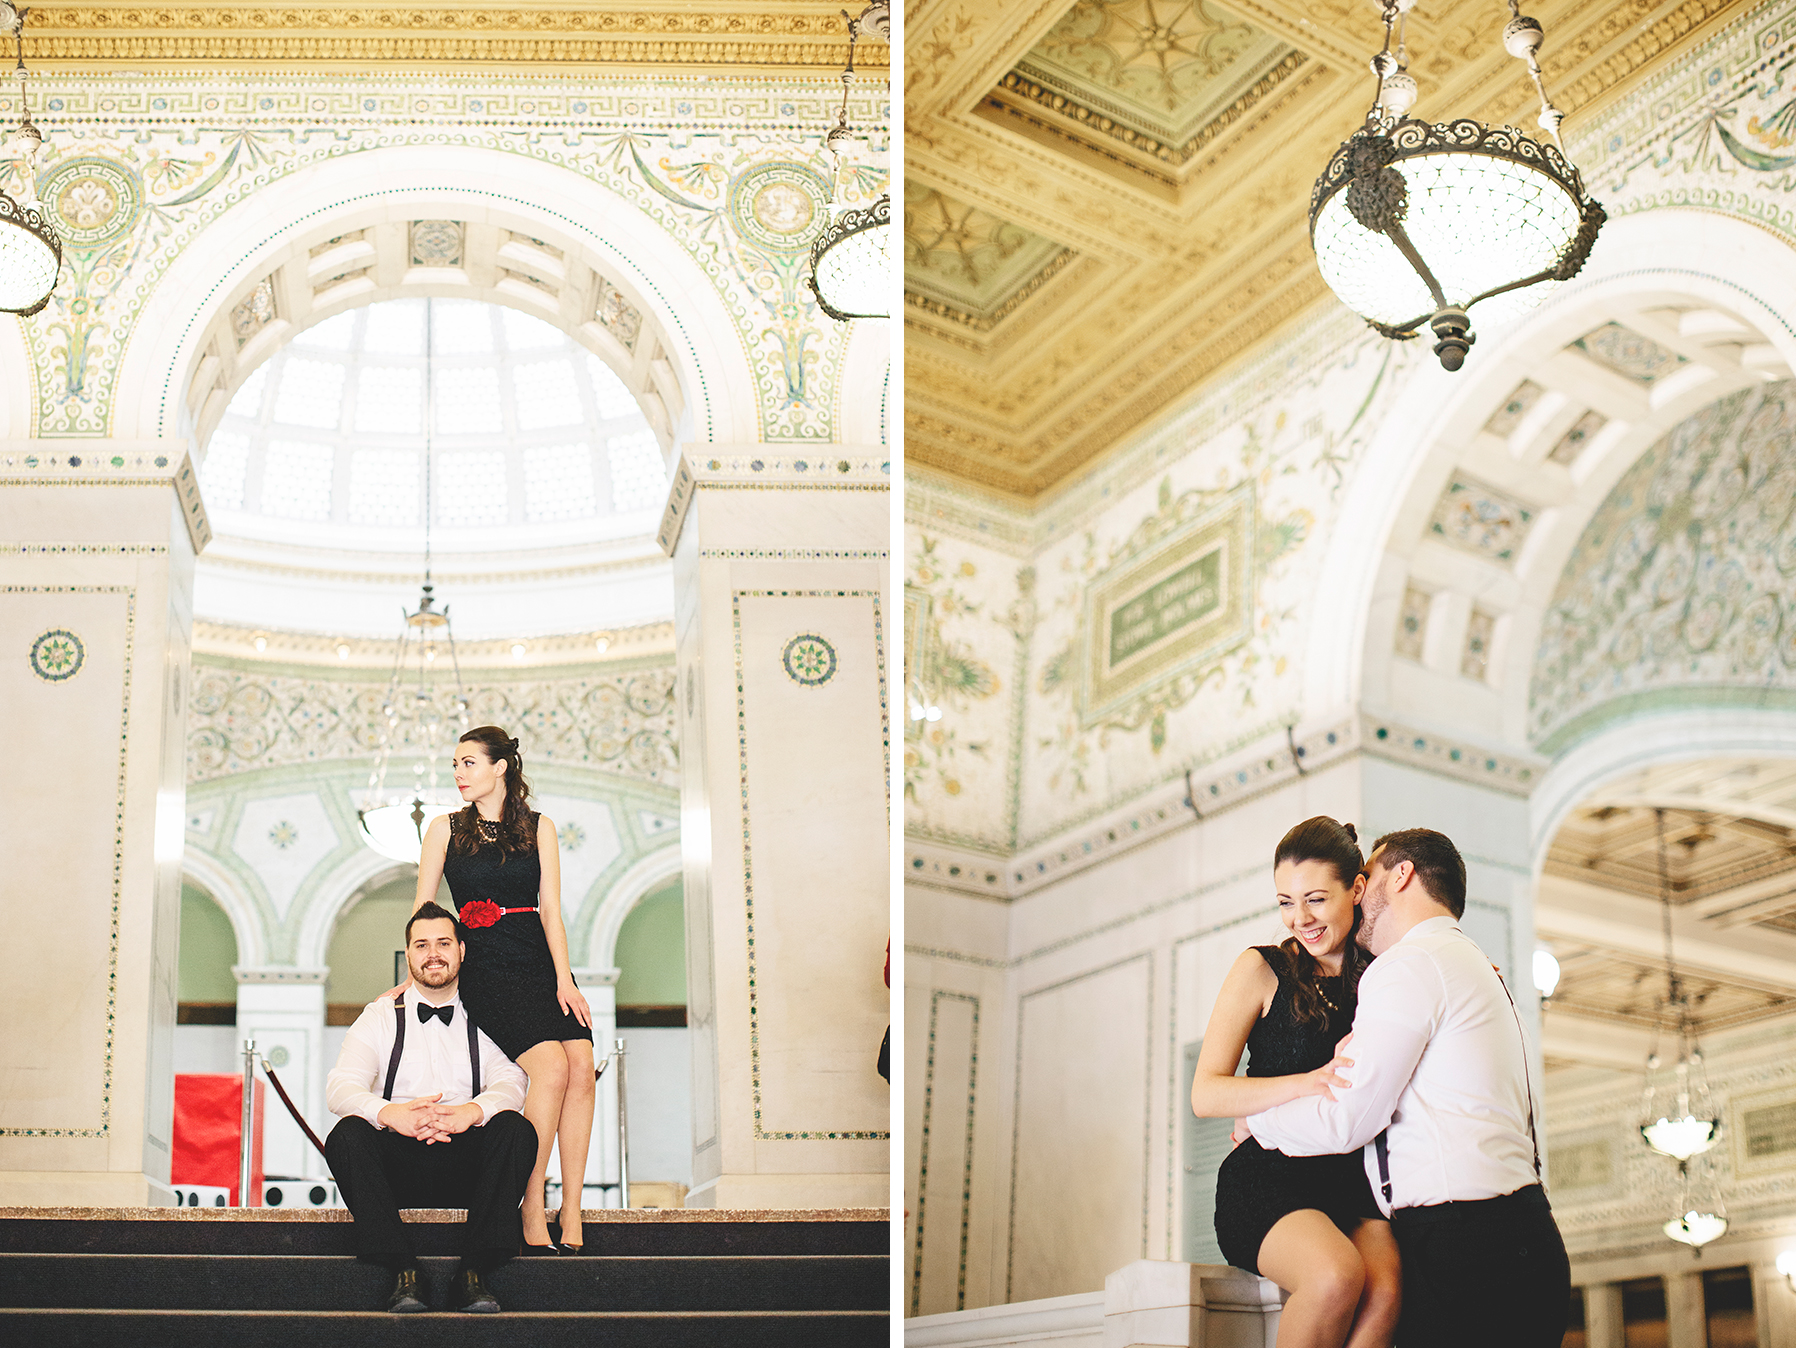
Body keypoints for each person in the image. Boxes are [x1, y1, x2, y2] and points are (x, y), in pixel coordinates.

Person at [1245, 829, 1571, 1348]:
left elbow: (1348, 1119)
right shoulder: (1475, 967)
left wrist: (1257, 1120)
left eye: (1365, 877)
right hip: (1526, 1233)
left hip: (1466, 1243)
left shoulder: (1410, 965)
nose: (1356, 892)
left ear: (1402, 875)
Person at [1190, 817, 1400, 1348]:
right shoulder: (1261, 969)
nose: (1299, 918)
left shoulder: (1386, 974)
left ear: (1355, 889)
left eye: (1314, 899)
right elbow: (1206, 1093)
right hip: (1268, 1177)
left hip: (1354, 1182)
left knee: (1388, 1294)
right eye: (1286, 902)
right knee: (1335, 1276)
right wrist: (1303, 1083)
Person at [402, 725, 596, 1252]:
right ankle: (531, 1203)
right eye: (456, 765)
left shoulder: (540, 827)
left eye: (468, 763)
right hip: (486, 966)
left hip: (538, 959)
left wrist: (565, 978)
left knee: (581, 1064)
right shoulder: (444, 828)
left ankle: (572, 1209)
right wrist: (412, 972)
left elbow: (551, 909)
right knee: (551, 1067)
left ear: (499, 767)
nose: (459, 774)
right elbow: (424, 909)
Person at [324, 901, 536, 1314]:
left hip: (468, 1162)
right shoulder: (380, 1015)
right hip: (399, 1163)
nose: (432, 953)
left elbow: (512, 1081)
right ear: (409, 956)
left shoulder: (489, 1012)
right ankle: (404, 1269)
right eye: (421, 945)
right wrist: (392, 1115)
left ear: (461, 950)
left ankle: (473, 1272)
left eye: (443, 943)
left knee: (516, 1129)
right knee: (347, 1134)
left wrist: (470, 1113)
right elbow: (341, 1086)